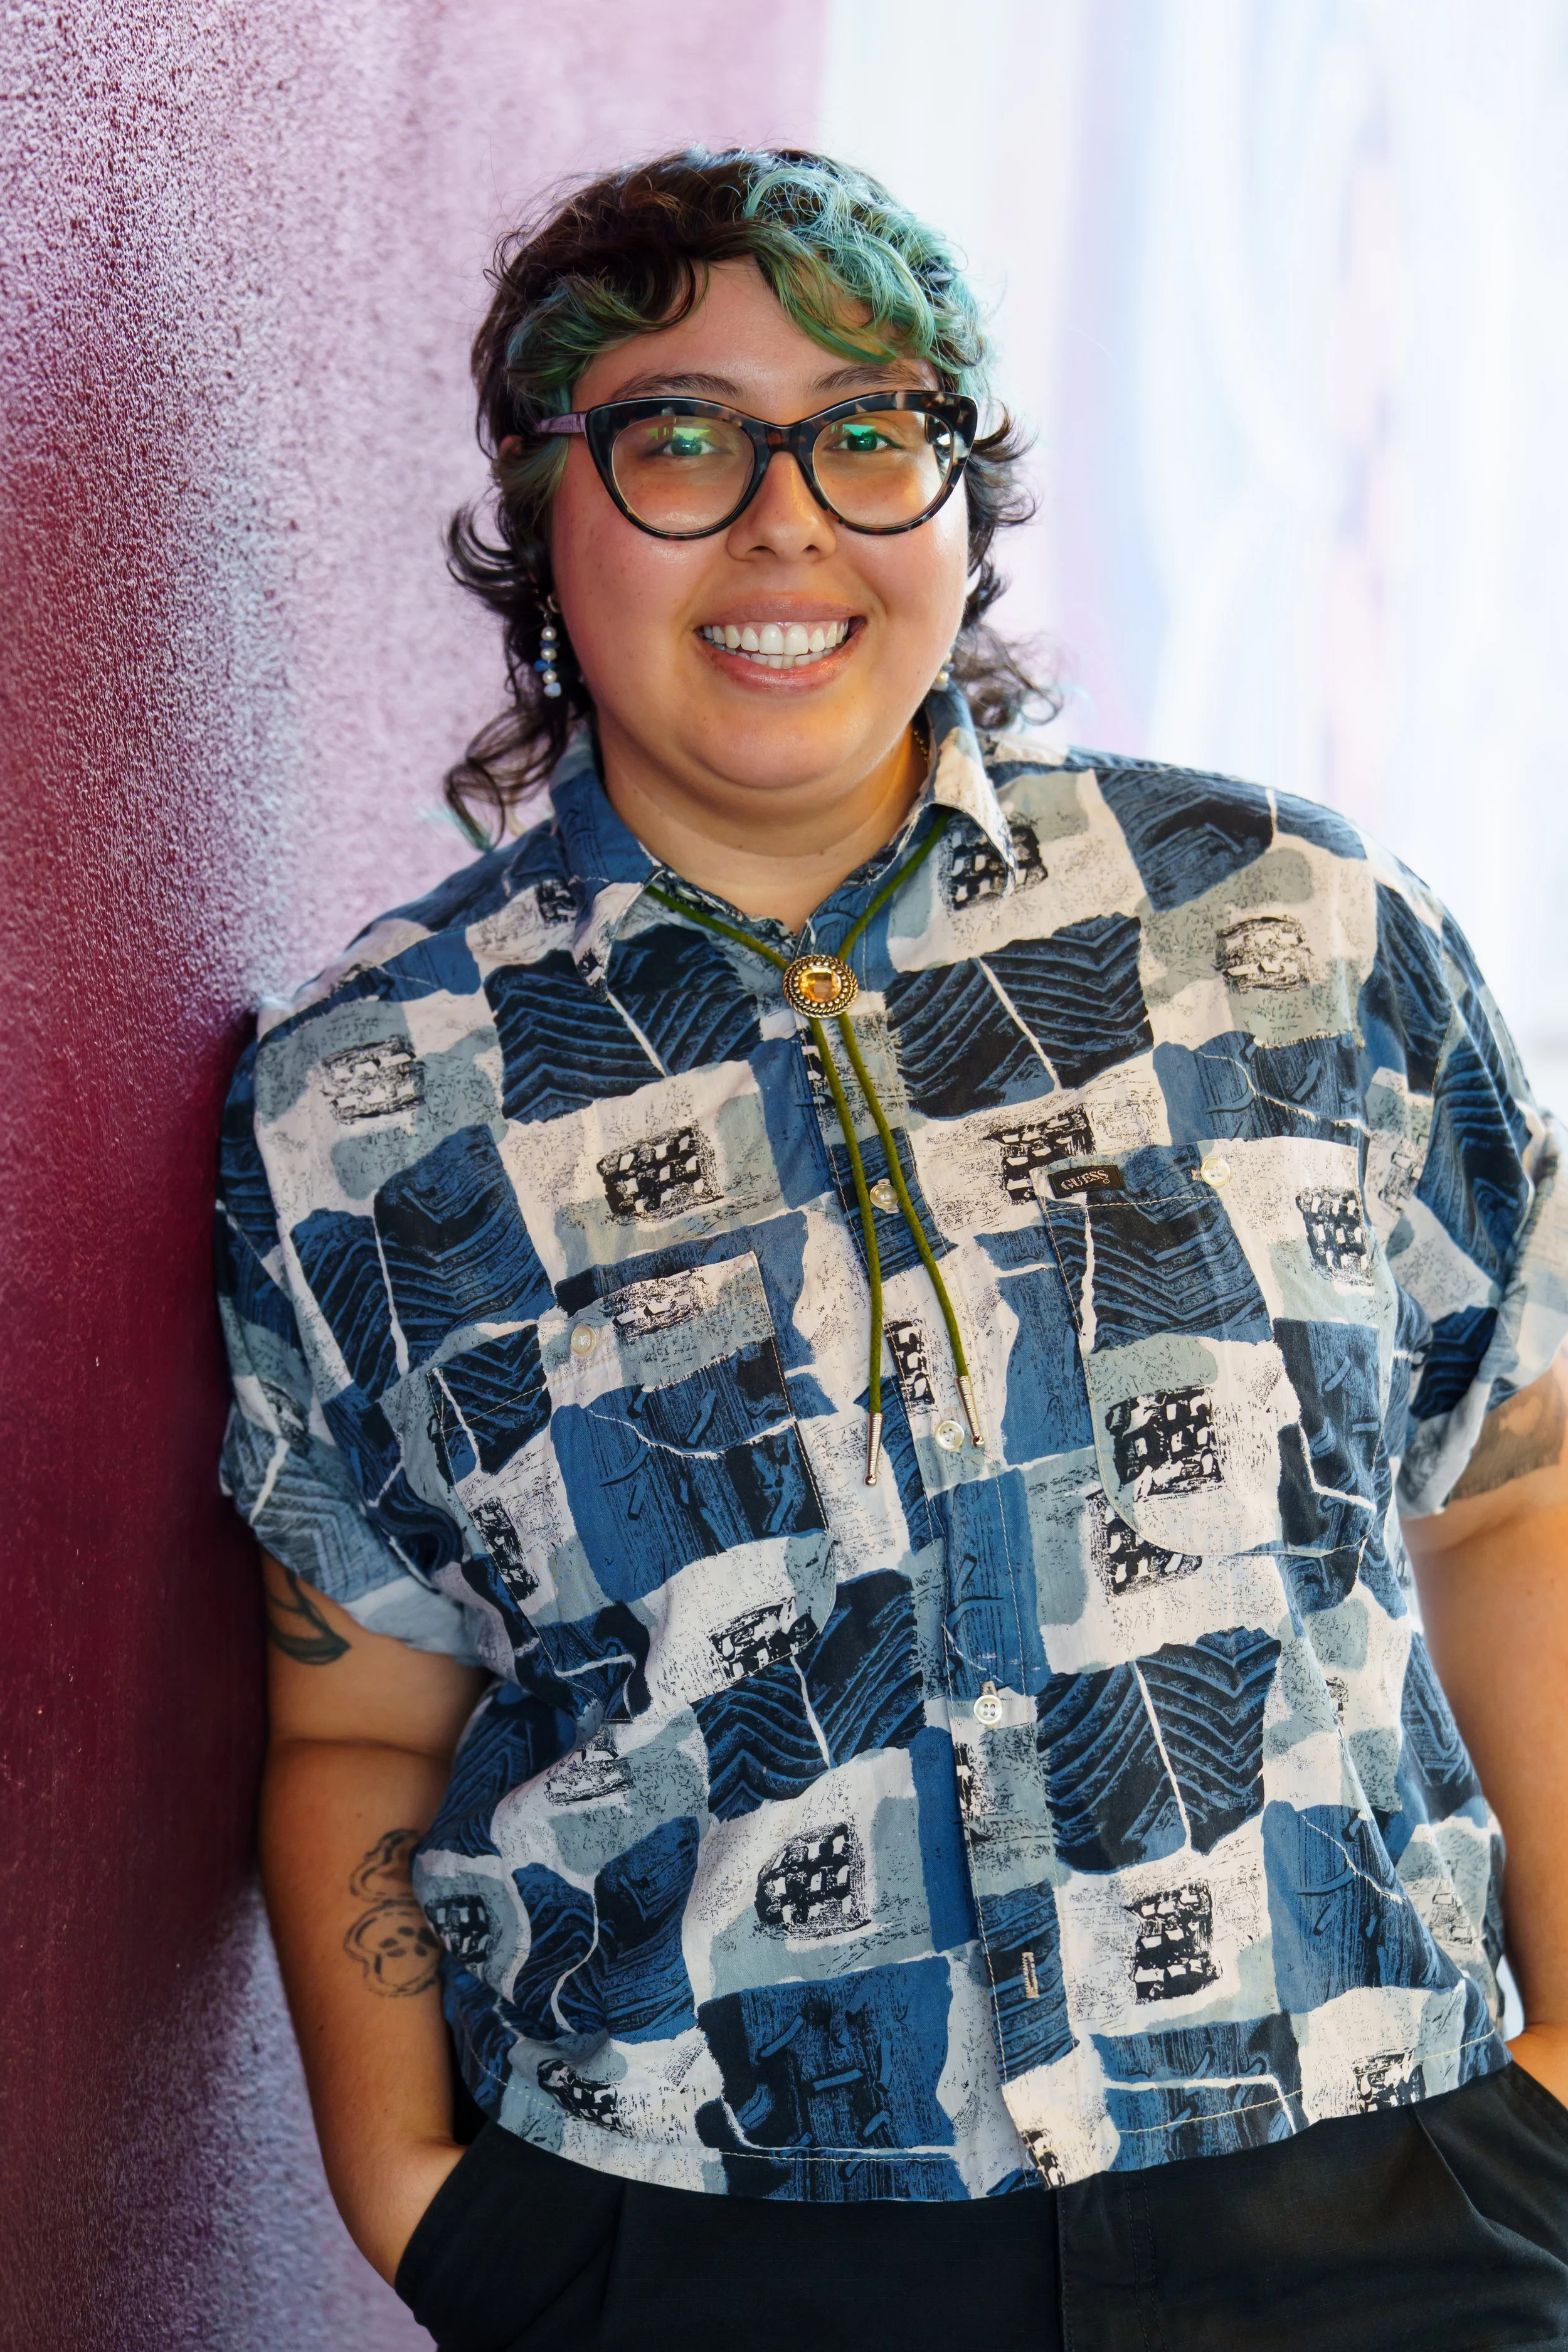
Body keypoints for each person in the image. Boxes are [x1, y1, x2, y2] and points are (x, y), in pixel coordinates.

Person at [216, 148, 1568, 2351]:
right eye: (677, 437)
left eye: (867, 434)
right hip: (715, 2246)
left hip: (1377, 2196)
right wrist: (423, 2204)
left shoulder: (1295, 930)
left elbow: (1514, 1489)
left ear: (958, 502)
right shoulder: (363, 1101)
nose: (783, 521)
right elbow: (355, 1712)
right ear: (543, 515)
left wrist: (1551, 2108)